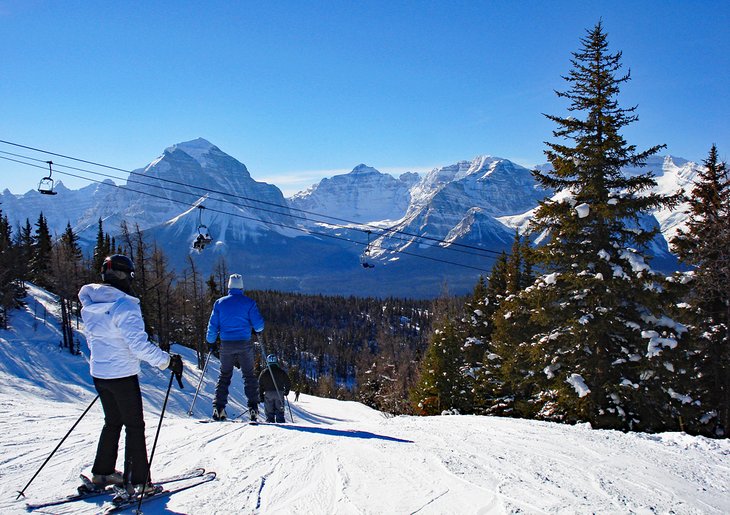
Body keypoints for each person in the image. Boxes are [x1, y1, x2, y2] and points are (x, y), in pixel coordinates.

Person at [78, 254, 184, 495]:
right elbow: (138, 345)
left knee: (112, 421)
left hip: (100, 372)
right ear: (125, 275)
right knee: (134, 426)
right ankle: (138, 481)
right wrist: (167, 362)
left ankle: (103, 472)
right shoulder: (124, 305)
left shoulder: (92, 304)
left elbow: (97, 340)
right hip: (122, 374)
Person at [206, 273, 264, 422]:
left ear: (229, 286)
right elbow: (259, 325)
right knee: (249, 376)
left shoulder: (219, 303)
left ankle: (218, 408)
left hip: (226, 344)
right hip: (244, 343)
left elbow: (213, 325)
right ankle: (253, 408)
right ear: (242, 287)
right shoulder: (249, 303)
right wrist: (255, 330)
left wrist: (210, 341)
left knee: (224, 375)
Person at [258, 354, 291, 423]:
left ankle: (270, 422)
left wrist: (261, 395)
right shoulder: (281, 371)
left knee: (269, 410)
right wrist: (286, 390)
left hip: (268, 393)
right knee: (279, 410)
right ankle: (280, 421)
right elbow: (287, 381)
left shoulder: (264, 372)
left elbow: (260, 385)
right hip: (279, 392)